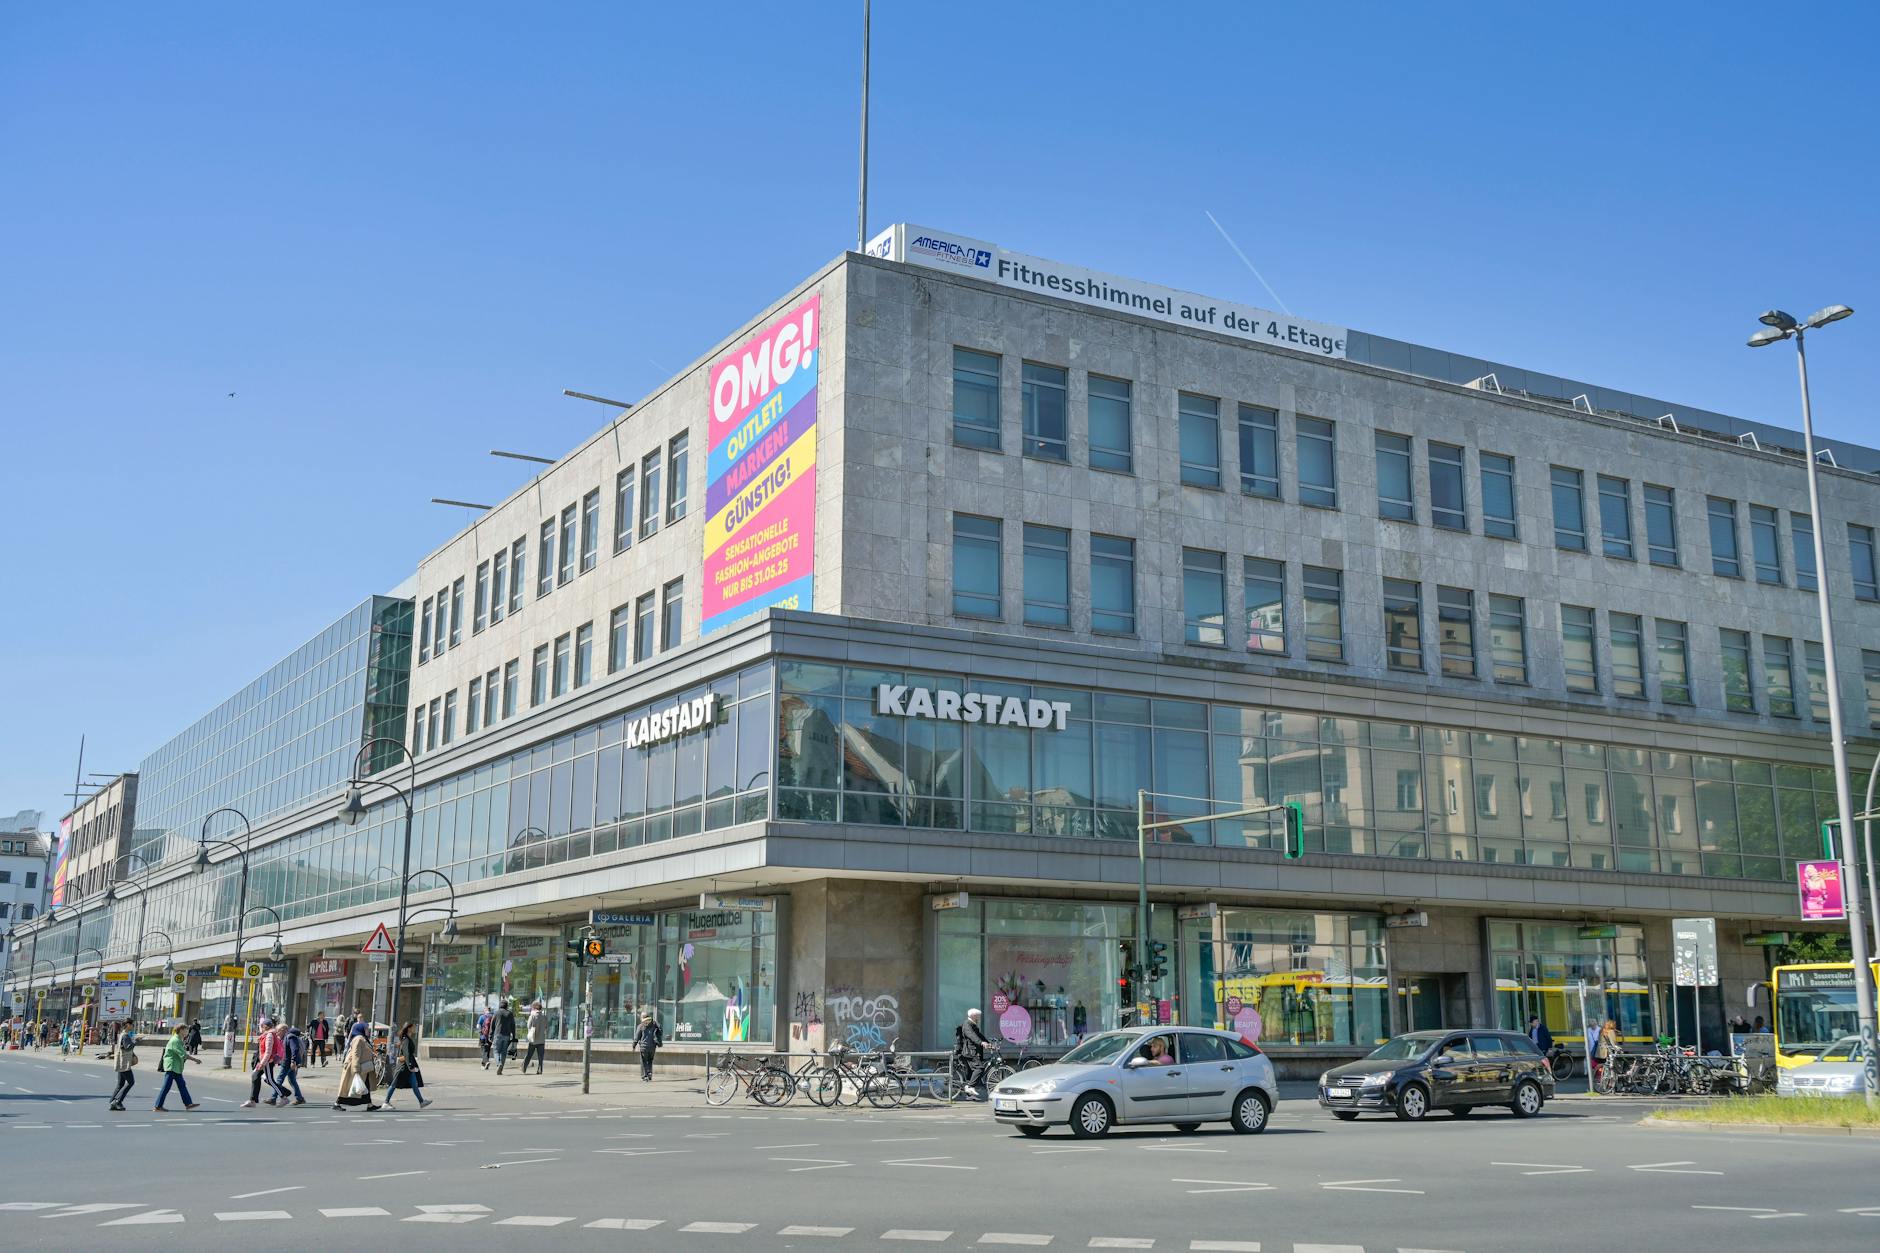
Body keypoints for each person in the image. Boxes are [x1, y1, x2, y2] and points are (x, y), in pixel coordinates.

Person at [382, 1022, 432, 1110]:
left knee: (414, 1084)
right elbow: (407, 1054)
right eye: (413, 1027)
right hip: (403, 1067)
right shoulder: (406, 1040)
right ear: (409, 1028)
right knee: (394, 1084)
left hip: (407, 1067)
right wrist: (411, 1066)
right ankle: (386, 1102)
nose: (415, 1028)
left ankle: (421, 1101)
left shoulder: (407, 1039)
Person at [153, 1022, 201, 1112]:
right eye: (186, 1031)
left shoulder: (178, 1040)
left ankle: (188, 1103)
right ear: (181, 1030)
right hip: (172, 1066)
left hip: (176, 1067)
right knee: (166, 1087)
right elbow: (183, 1054)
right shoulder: (175, 1040)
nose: (187, 1033)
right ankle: (158, 1106)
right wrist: (195, 1060)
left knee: (182, 1085)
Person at [334, 1021, 381, 1112]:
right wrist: (355, 1069)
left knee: (365, 1085)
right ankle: (337, 1103)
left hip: (364, 1067)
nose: (368, 1030)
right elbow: (356, 1053)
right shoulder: (358, 1038)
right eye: (366, 1028)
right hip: (357, 1066)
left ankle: (369, 1104)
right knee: (350, 1087)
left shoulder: (363, 1038)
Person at [243, 1016, 282, 1108]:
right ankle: (252, 1100)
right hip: (263, 1061)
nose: (261, 1027)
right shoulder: (266, 1034)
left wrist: (262, 1063)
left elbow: (268, 1051)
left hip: (267, 1061)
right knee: (255, 1076)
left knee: (270, 1080)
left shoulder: (269, 1035)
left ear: (266, 1026)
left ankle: (283, 1097)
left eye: (262, 1025)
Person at [954, 1007, 992, 1101]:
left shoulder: (973, 1024)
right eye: (978, 1015)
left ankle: (969, 1095)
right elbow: (972, 1035)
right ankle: (970, 1087)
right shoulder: (967, 1024)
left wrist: (988, 1043)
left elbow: (979, 1036)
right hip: (969, 1052)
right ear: (973, 1016)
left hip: (973, 1051)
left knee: (970, 1074)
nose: (979, 1017)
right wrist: (981, 1043)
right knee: (979, 1068)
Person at [108, 1024, 139, 1111]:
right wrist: (136, 1041)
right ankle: (117, 1101)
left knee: (120, 1084)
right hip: (124, 1063)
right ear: (128, 1025)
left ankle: (112, 1102)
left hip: (120, 1062)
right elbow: (128, 1047)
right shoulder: (125, 1036)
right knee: (131, 1082)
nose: (133, 1026)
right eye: (132, 1024)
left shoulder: (121, 1034)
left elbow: (123, 1048)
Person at [278, 1023, 308, 1105]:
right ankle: (300, 1098)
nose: (277, 1033)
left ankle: (273, 1098)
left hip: (290, 1063)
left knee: (279, 1080)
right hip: (290, 1062)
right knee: (292, 1080)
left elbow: (294, 1050)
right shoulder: (288, 1038)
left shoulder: (290, 1037)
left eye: (278, 1031)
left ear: (284, 1030)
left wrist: (293, 1061)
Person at [632, 1011, 662, 1081]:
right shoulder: (654, 1025)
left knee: (643, 1061)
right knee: (650, 1060)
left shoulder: (641, 1026)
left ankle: (645, 1076)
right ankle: (649, 1073)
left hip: (644, 1047)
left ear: (643, 1017)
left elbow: (637, 1037)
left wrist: (634, 1045)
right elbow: (659, 1030)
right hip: (652, 1047)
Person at [492, 999, 517, 1075]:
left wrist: (490, 1035)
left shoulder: (497, 1012)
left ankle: (499, 1063)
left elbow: (492, 1024)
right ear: (507, 1006)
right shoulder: (510, 1013)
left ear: (500, 1005)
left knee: (496, 1051)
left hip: (498, 1034)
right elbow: (513, 1025)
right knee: (503, 1052)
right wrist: (513, 1035)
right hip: (507, 1035)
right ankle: (501, 1066)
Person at [521, 1001, 547, 1075]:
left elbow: (528, 1026)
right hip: (541, 1039)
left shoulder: (532, 1016)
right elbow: (546, 1027)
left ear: (534, 1008)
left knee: (529, 1054)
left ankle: (524, 1067)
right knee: (540, 1056)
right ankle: (540, 1069)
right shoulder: (544, 1016)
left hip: (533, 1039)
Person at [477, 1005, 495, 1069]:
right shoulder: (493, 1017)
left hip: (483, 1036)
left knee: (483, 1050)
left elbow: (478, 1026)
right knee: (487, 1050)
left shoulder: (482, 1017)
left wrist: (480, 1031)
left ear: (485, 1010)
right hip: (490, 1037)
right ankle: (483, 1065)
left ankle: (486, 1061)